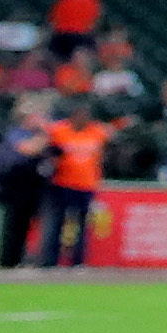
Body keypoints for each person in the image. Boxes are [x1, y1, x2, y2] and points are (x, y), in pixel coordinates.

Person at [31, 107, 109, 269]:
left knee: (82, 224)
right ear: (72, 117)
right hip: (62, 183)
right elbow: (44, 139)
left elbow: (106, 147)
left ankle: (78, 262)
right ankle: (50, 261)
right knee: (56, 223)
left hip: (87, 184)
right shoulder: (60, 130)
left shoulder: (96, 131)